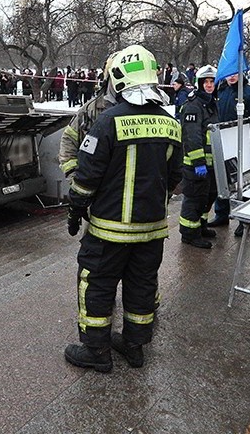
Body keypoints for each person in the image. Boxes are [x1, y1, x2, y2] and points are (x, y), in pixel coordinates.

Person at [63, 44, 182, 372]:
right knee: (141, 284)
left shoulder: (108, 121)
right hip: (153, 230)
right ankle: (134, 345)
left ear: (117, 78)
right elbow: (175, 178)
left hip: (109, 232)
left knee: (97, 284)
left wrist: (75, 211)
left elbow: (86, 178)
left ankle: (97, 352)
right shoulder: (171, 124)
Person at [209, 70, 250, 236]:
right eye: (229, 72)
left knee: (244, 183)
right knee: (223, 180)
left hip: (243, 145)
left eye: (235, 72)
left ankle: (245, 220)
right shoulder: (221, 90)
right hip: (223, 142)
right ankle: (221, 214)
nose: (231, 76)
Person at [58, 53, 119, 178]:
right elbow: (69, 141)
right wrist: (75, 179)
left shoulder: (152, 114)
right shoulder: (90, 110)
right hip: (98, 190)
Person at [178, 65, 218, 248]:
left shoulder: (210, 103)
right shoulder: (194, 105)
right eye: (206, 82)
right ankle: (189, 233)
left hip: (211, 163)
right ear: (199, 84)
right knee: (194, 199)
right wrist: (199, 163)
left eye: (212, 82)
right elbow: (192, 138)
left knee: (207, 197)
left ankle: (200, 226)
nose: (209, 85)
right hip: (196, 164)